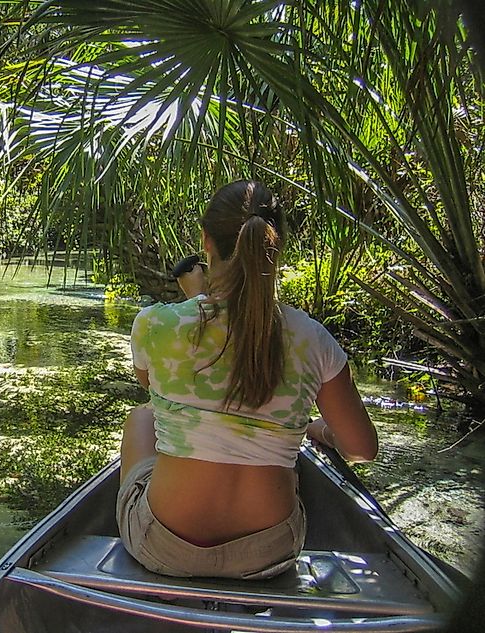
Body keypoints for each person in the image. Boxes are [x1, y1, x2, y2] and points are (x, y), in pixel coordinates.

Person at [117, 180, 378, 579]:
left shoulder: (156, 325)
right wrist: (320, 432)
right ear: (277, 244)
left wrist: (197, 300)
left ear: (206, 241)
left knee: (143, 417)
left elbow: (157, 391)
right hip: (269, 552)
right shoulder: (312, 338)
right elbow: (362, 449)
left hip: (163, 545)